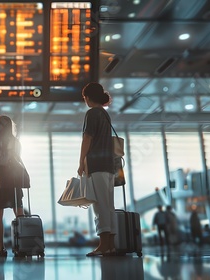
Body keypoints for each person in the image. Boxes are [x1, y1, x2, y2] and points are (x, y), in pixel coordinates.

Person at [77, 82, 116, 257]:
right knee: (108, 205)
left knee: (99, 205)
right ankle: (111, 245)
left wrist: (80, 162)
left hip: (97, 165)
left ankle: (103, 245)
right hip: (109, 165)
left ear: (88, 97)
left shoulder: (92, 113)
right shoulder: (105, 114)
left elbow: (87, 138)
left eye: (84, 97)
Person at [0, 115, 24, 257]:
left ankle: (0, 248)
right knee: (19, 211)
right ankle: (23, 245)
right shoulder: (15, 142)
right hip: (14, 179)